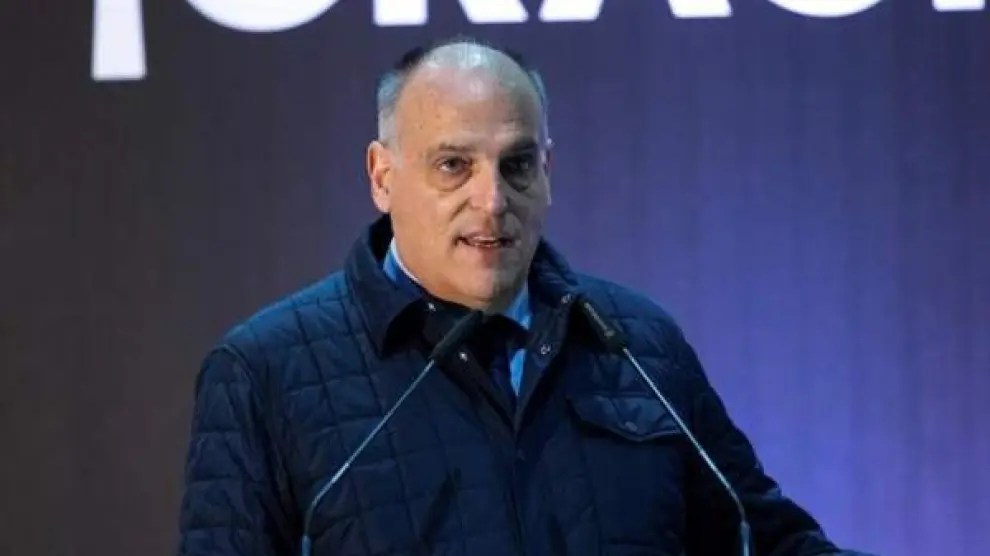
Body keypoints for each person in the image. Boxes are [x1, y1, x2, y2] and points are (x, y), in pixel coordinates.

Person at [176, 36, 869, 556]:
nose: (491, 200)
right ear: (382, 177)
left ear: (548, 171)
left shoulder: (636, 342)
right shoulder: (265, 371)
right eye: (454, 165)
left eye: (517, 165)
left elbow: (765, 539)